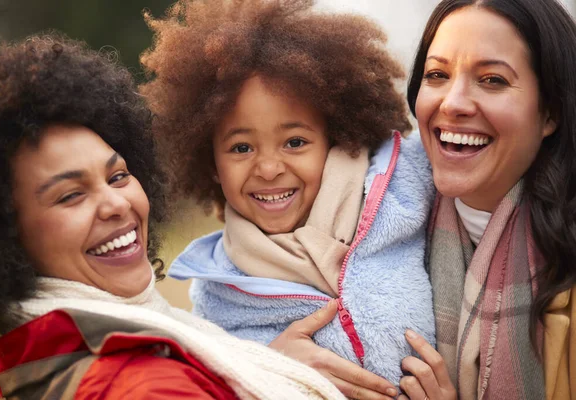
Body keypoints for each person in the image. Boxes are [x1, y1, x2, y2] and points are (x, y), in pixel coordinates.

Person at [0, 34, 345, 400]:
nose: (117, 204)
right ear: (0, 236)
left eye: (118, 176)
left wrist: (269, 367)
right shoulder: (143, 388)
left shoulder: (56, 354)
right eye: (71, 195)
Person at [271, 0, 576, 399]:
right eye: (437, 75)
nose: (452, 103)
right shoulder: (371, 214)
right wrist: (268, 364)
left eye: (493, 80)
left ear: (550, 112)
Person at [140, 0, 435, 395]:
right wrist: (268, 365)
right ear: (210, 162)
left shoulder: (407, 188)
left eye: (295, 142)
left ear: (335, 138)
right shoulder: (218, 292)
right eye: (241, 148)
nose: (267, 168)